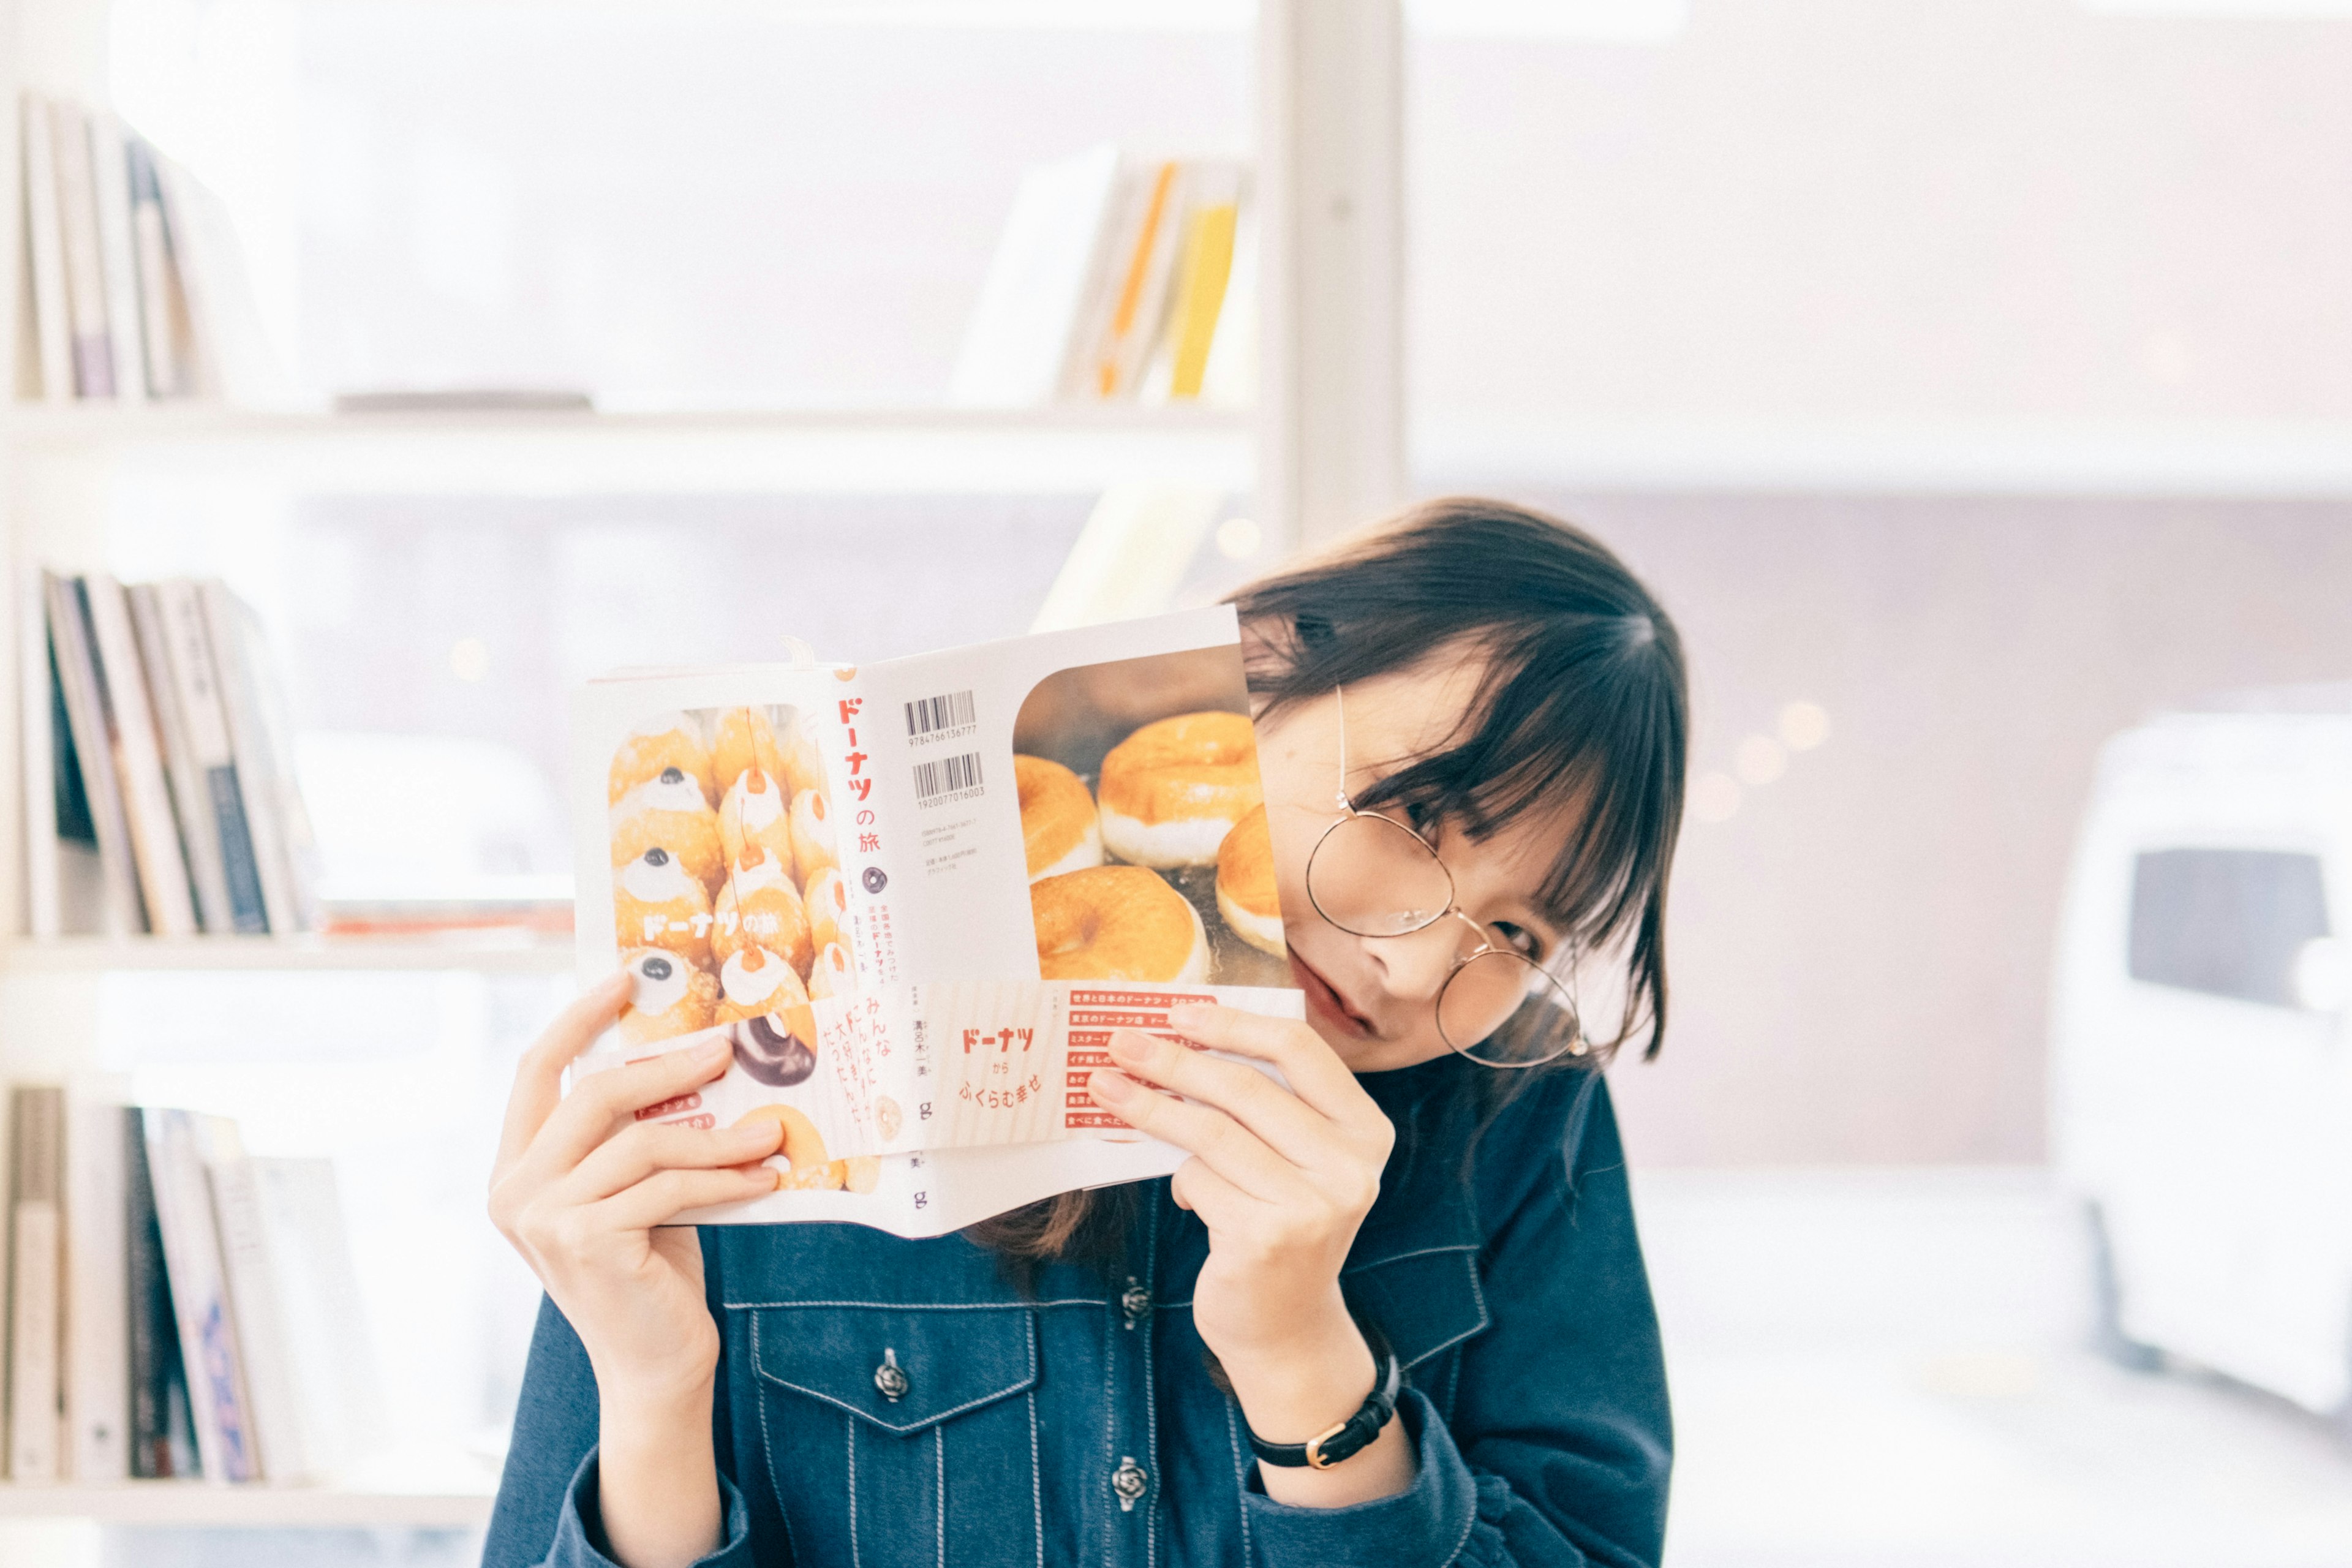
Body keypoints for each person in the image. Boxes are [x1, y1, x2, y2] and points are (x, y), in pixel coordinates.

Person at [484, 498, 1687, 1568]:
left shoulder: (1519, 1105)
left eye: (1522, 933)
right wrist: (650, 1398)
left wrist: (1305, 1360)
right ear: (1249, 669)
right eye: (1419, 812)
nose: (1422, 961)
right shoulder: (789, 1020)